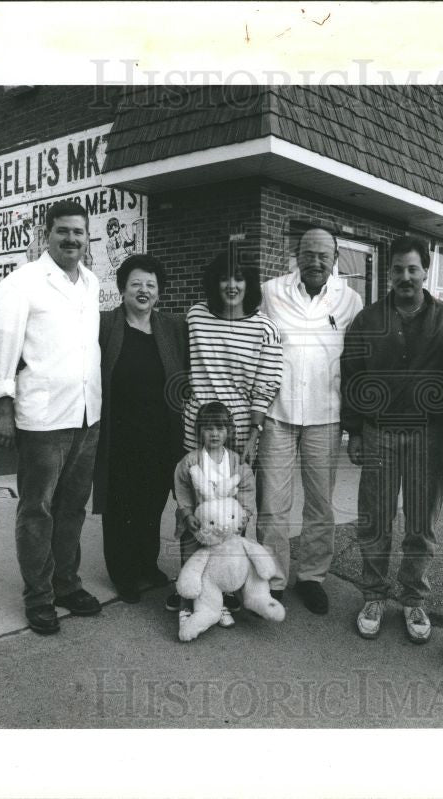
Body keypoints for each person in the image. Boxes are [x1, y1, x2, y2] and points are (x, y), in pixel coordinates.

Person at [340, 235, 443, 643]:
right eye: (398, 269)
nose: (405, 277)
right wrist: (355, 430)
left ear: (426, 271)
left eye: (413, 269)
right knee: (375, 518)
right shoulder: (367, 320)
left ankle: (414, 597)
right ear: (389, 272)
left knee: (421, 521)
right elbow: (352, 377)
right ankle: (374, 595)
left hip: (427, 435)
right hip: (378, 432)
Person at [0, 200, 102, 635]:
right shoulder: (22, 284)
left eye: (79, 232)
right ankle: (39, 597)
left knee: (72, 507)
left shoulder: (91, 282)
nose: (71, 239)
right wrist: (3, 408)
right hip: (44, 419)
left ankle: (66, 583)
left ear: (88, 237)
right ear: (46, 234)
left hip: (88, 414)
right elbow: (1, 348)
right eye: (63, 231)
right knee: (38, 510)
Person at [165, 251, 283, 615]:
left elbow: (268, 382)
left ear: (249, 284)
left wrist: (253, 433)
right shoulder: (197, 316)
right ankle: (190, 587)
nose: (231, 286)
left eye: (239, 278)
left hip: (238, 430)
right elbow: (180, 361)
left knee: (232, 509)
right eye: (224, 279)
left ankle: (230, 583)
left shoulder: (264, 327)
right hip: (195, 427)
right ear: (215, 283)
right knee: (194, 504)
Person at [257, 227, 363, 614]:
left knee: (320, 504)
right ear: (295, 255)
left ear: (335, 258)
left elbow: (355, 362)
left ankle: (313, 577)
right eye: (308, 254)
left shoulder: (350, 300)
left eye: (323, 255)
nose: (315, 262)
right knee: (273, 504)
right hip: (278, 413)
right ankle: (272, 578)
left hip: (326, 416)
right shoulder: (270, 292)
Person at [93, 254, 188, 604]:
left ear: (160, 292)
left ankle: (147, 565)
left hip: (161, 434)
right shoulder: (105, 326)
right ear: (122, 289)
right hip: (118, 434)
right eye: (136, 284)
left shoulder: (172, 329)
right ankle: (124, 573)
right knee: (121, 506)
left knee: (151, 503)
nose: (143, 291)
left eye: (150, 285)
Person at [172, 401, 258, 636]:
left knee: (221, 565)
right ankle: (186, 606)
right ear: (199, 431)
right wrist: (187, 513)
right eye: (209, 428)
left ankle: (217, 603)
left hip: (226, 529)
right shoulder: (191, 461)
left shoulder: (235, 462)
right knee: (192, 563)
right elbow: (181, 487)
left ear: (229, 431)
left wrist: (244, 515)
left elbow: (247, 489)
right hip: (199, 526)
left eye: (220, 428)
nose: (214, 434)